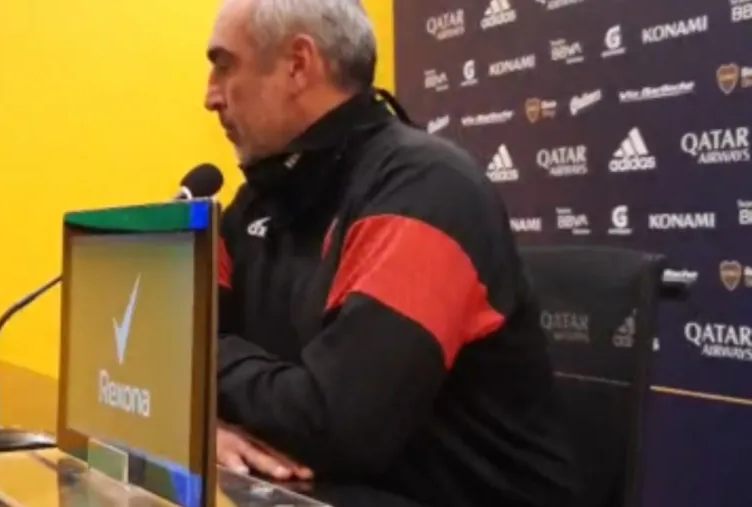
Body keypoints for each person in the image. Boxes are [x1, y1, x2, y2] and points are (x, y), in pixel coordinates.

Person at [204, 1, 577, 506]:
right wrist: (210, 424)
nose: (210, 96)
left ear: (297, 65)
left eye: (224, 66)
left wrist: (205, 367)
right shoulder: (260, 199)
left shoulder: (426, 188)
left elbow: (336, 423)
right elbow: (171, 347)